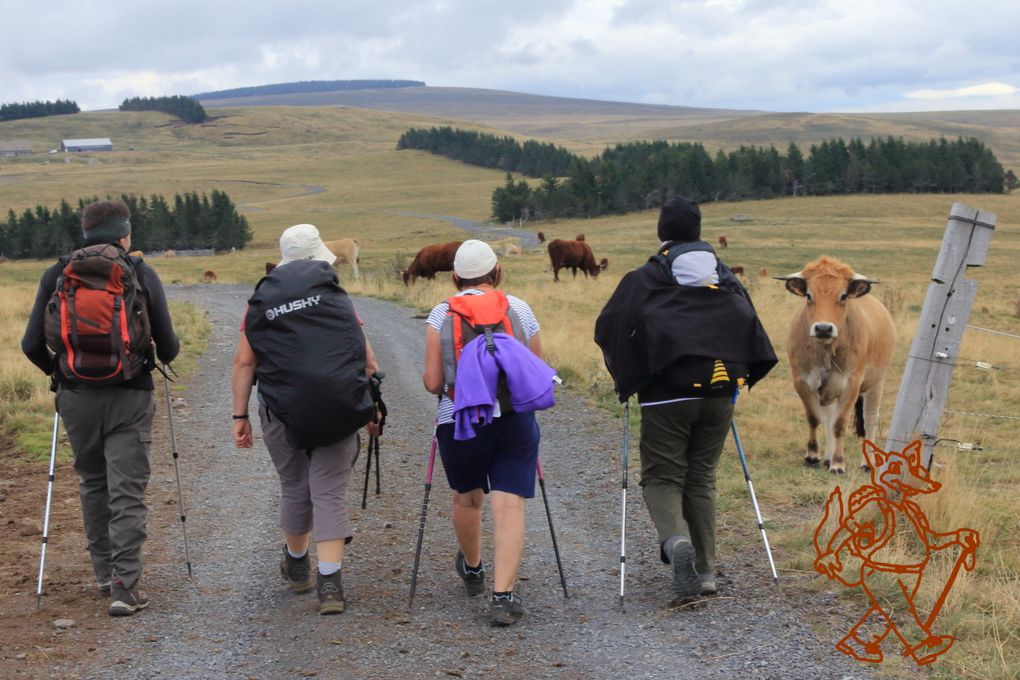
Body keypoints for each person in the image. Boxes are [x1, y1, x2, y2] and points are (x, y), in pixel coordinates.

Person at [595, 197, 776, 600]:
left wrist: (632, 377)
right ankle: (706, 570)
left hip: (665, 397)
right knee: (701, 476)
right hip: (721, 393)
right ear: (698, 232)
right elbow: (752, 329)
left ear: (663, 233)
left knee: (663, 475)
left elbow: (609, 326)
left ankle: (676, 543)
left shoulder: (644, 278)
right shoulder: (725, 276)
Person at [22, 199, 180, 616]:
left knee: (93, 483)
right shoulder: (140, 273)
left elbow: (30, 345)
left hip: (75, 397)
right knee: (127, 491)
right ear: (125, 233)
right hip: (130, 394)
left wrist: (63, 374)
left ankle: (102, 575)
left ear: (86, 230)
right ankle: (125, 588)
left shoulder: (57, 274)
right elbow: (172, 347)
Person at [231, 223, 380, 615]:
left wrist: (240, 414)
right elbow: (365, 358)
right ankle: (330, 586)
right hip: (338, 405)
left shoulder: (259, 303)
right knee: (328, 491)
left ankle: (298, 567)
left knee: (295, 486)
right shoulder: (336, 297)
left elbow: (246, 361)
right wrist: (369, 406)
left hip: (282, 409)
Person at [422, 239, 554, 626]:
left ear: (454, 278)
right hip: (514, 418)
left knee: (467, 498)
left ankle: (474, 568)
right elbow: (536, 369)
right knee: (509, 501)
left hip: (460, 419)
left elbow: (433, 382)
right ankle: (503, 595)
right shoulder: (519, 308)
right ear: (498, 273)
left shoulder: (440, 313)